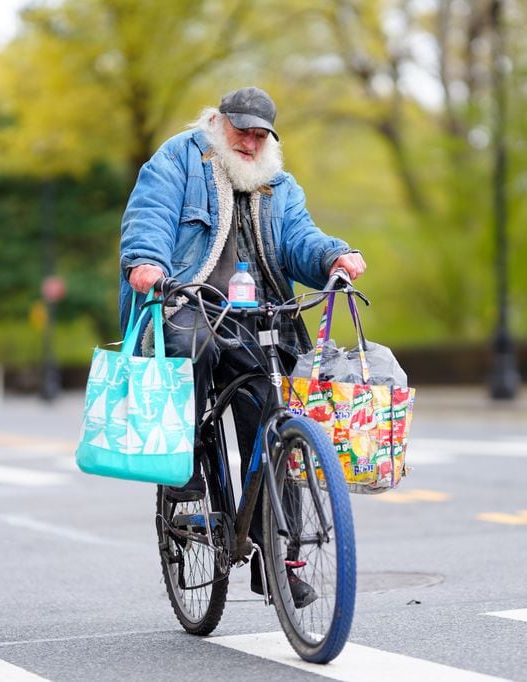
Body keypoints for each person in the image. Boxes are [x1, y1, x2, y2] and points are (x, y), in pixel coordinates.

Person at [119, 86, 366, 606]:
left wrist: (334, 258)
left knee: (281, 418)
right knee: (189, 344)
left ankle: (277, 558)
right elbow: (151, 215)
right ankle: (185, 481)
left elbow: (301, 239)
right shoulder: (178, 158)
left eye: (259, 135)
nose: (250, 143)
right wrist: (147, 262)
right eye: (242, 131)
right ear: (217, 122)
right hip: (191, 299)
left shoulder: (279, 184)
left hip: (260, 314)